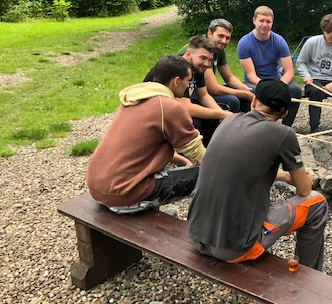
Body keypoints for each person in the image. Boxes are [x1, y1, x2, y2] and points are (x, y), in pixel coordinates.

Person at [188, 79, 329, 271]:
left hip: (196, 236)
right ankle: (309, 274)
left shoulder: (229, 120)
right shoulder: (283, 134)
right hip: (233, 249)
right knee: (317, 203)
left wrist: (284, 176)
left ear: (254, 101)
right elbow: (304, 189)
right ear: (285, 114)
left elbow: (241, 165)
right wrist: (305, 178)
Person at [86, 55, 206, 214]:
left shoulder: (135, 99)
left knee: (170, 174)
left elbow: (143, 147)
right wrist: (224, 169)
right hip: (124, 194)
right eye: (188, 80)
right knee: (208, 176)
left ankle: (150, 212)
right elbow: (198, 153)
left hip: (98, 187)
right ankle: (196, 225)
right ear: (176, 81)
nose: (188, 85)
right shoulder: (169, 107)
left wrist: (181, 160)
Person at [146, 36, 232, 146]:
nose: (206, 64)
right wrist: (220, 113)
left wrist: (222, 114)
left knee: (216, 116)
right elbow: (186, 107)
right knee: (194, 122)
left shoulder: (198, 69)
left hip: (174, 108)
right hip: (156, 113)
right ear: (188, 54)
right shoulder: (179, 69)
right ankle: (196, 153)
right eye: (203, 58)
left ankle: (212, 150)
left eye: (210, 60)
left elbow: (204, 96)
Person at [237, 6, 302, 127]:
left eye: (268, 21)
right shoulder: (244, 43)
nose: (265, 25)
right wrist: (268, 88)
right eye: (261, 21)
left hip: (276, 80)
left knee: (296, 90)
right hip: (254, 82)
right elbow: (251, 75)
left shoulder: (279, 41)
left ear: (272, 22)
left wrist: (279, 86)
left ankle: (286, 127)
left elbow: (289, 72)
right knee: (249, 92)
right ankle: (253, 127)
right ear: (254, 20)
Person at [177, 18, 254, 113]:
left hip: (200, 89)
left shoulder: (217, 50)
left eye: (227, 38)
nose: (224, 41)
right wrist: (242, 94)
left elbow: (229, 78)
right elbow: (213, 88)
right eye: (221, 36)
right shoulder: (201, 52)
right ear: (210, 33)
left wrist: (246, 89)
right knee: (233, 100)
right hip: (187, 94)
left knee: (249, 91)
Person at [296, 13, 332, 134]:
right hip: (315, 78)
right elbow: (301, 62)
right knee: (315, 92)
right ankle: (314, 128)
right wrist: (306, 76)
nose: (331, 35)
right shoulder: (312, 42)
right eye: (328, 32)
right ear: (323, 30)